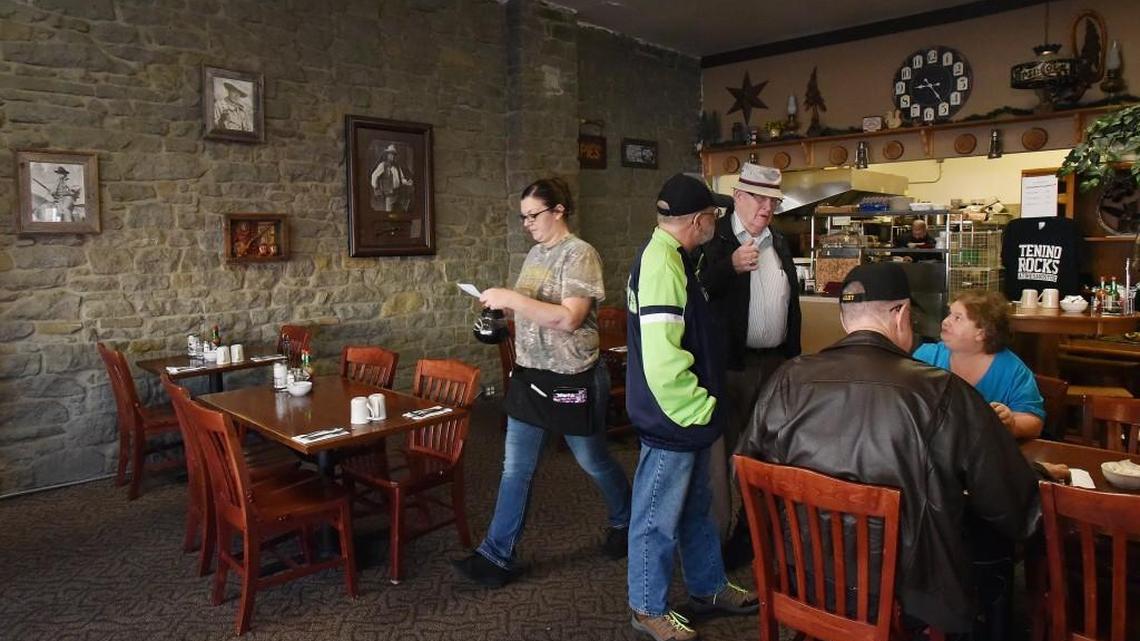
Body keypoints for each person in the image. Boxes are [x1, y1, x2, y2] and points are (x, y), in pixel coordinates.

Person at [738, 262, 1053, 638]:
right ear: (902, 314)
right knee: (989, 553)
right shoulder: (944, 392)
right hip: (906, 598)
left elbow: (746, 471)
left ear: (844, 318)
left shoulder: (787, 379)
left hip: (803, 579)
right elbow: (1016, 507)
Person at [452, 177, 631, 588]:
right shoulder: (534, 254)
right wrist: (502, 321)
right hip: (531, 374)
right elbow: (534, 311)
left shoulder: (580, 255)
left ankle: (627, 519)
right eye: (523, 217)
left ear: (559, 211)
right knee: (515, 468)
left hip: (573, 375)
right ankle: (497, 555)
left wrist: (510, 299)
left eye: (533, 215)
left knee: (592, 461)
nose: (527, 224)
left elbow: (568, 318)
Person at [625, 174, 757, 641]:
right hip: (674, 419)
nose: (716, 224)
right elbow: (664, 360)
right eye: (715, 216)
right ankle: (646, 609)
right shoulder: (661, 264)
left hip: (688, 418)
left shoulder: (675, 258)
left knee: (696, 509)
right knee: (656, 518)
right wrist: (700, 409)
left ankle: (708, 586)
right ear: (700, 220)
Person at [695, 162, 800, 566]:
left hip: (773, 366)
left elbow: (790, 306)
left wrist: (792, 357)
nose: (766, 208)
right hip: (729, 366)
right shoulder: (712, 240)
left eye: (772, 200)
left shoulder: (780, 242)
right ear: (737, 197)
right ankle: (714, 546)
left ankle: (751, 535)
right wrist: (729, 268)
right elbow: (694, 292)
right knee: (722, 462)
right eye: (758, 198)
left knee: (769, 455)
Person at [914, 289, 1045, 439]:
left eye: (957, 318)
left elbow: (1035, 423)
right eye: (949, 314)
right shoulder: (926, 356)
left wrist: (1012, 423)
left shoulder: (1013, 371)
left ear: (982, 332)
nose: (945, 321)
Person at [370, 144, 413, 212]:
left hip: (398, 193)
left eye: (393, 155)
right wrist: (376, 188)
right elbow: (374, 176)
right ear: (387, 155)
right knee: (389, 213)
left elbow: (401, 178)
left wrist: (407, 182)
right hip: (389, 194)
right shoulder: (383, 165)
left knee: (399, 212)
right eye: (390, 154)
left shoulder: (397, 167)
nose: (392, 156)